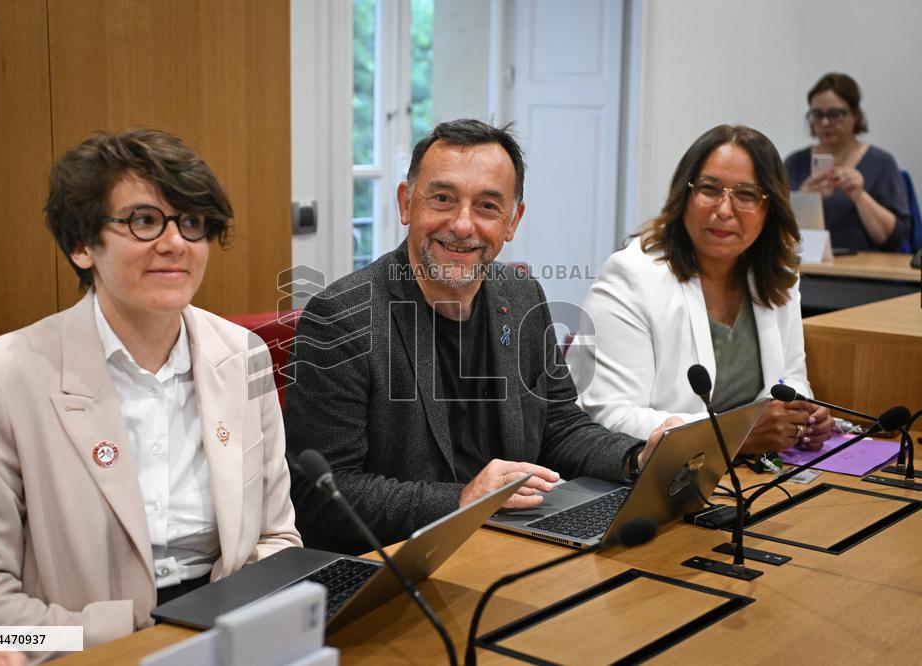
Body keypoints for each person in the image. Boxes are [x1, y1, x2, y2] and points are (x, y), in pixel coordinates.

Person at [0, 129, 301, 652]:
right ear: (83, 245)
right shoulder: (3, 375)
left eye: (192, 223)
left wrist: (230, 627)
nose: (175, 243)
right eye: (144, 221)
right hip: (88, 645)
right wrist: (130, 639)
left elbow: (276, 537)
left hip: (227, 633)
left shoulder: (243, 355)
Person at [283, 119, 670, 555]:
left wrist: (636, 458)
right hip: (399, 564)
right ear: (406, 203)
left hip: (511, 545)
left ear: (512, 221)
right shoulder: (342, 317)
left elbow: (557, 426)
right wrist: (461, 501)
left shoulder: (522, 296)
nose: (463, 225)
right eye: (443, 199)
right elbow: (323, 493)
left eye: (487, 206)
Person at [568, 125, 833, 454]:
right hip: (643, 476)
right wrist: (735, 435)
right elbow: (609, 415)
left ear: (770, 209)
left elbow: (791, 377)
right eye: (710, 189)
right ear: (685, 195)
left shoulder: (778, 275)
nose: (724, 210)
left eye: (746, 195)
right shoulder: (631, 276)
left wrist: (801, 414)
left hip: (745, 475)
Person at [784, 73, 910, 251]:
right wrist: (804, 199)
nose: (825, 122)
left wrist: (859, 196)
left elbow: (894, 237)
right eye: (817, 115)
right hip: (806, 268)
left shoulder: (881, 163)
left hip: (864, 272)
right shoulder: (794, 162)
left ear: (855, 115)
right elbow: (774, 229)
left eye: (835, 114)